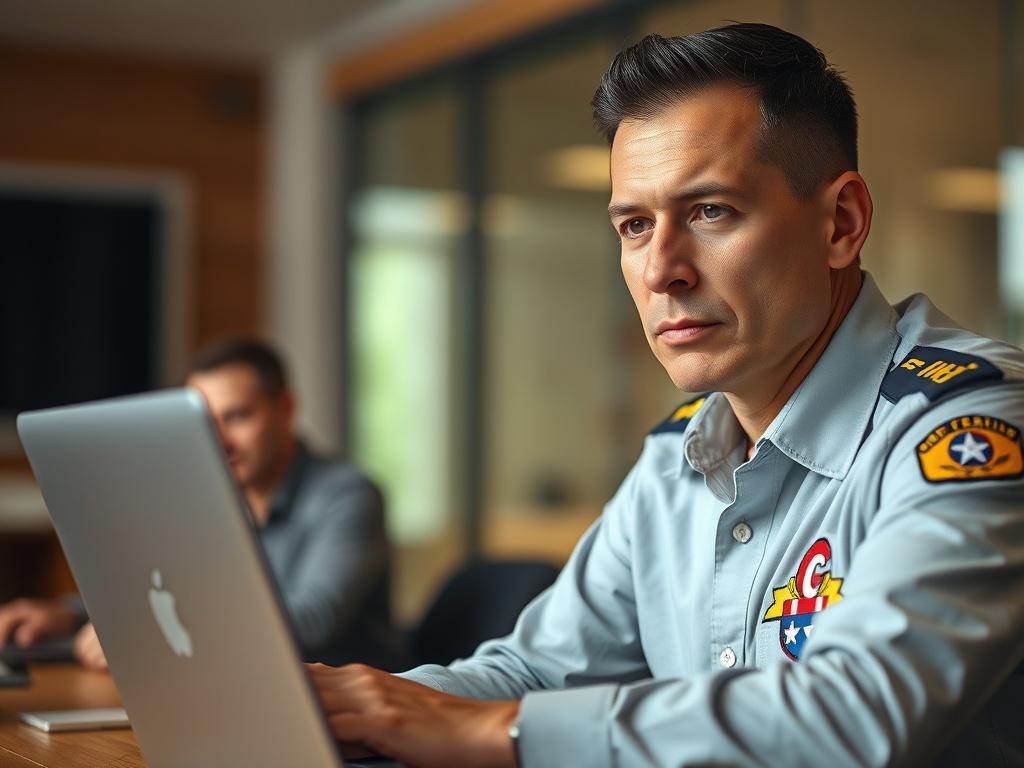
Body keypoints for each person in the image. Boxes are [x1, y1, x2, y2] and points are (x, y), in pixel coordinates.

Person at [306, 23, 1024, 767]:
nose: (661, 271)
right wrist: (338, 708)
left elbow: (856, 712)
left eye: (711, 211)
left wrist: (506, 733)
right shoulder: (677, 459)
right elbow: (536, 672)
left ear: (841, 224)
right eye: (635, 225)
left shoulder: (970, 424)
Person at [0, 337, 402, 670]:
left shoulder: (348, 495)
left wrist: (139, 636)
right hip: (240, 695)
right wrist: (72, 616)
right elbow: (164, 591)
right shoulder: (212, 496)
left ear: (287, 409)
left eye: (237, 417)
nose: (219, 440)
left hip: (347, 724)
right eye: (204, 422)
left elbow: (311, 623)